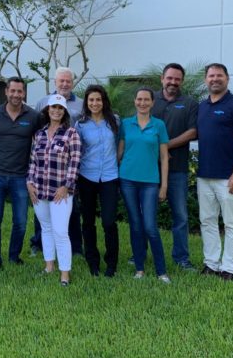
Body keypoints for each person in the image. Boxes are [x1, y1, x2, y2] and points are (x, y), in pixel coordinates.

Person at [197, 63, 233, 281]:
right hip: (204, 175)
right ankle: (211, 264)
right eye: (211, 76)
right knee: (207, 221)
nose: (215, 79)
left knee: (231, 223)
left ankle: (229, 269)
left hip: (229, 177)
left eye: (219, 75)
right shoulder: (202, 107)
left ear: (227, 78)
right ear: (206, 80)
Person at [27, 94, 82, 286]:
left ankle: (65, 274)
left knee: (60, 231)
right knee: (46, 228)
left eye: (60, 108)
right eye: (53, 107)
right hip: (39, 189)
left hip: (61, 191)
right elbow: (33, 161)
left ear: (64, 111)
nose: (56, 111)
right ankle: (49, 267)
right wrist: (29, 183)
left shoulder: (71, 134)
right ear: (47, 110)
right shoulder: (39, 134)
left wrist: (67, 186)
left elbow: (75, 162)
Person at [118, 86, 171, 283]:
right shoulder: (126, 124)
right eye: (139, 99)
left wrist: (163, 186)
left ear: (152, 102)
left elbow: (164, 158)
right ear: (134, 101)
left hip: (150, 182)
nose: (142, 103)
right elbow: (120, 153)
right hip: (127, 180)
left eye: (146, 99)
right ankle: (139, 268)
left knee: (150, 226)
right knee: (135, 225)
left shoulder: (159, 125)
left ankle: (161, 271)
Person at [0, 77, 39, 269]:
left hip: (21, 176)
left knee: (21, 221)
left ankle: (14, 256)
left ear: (24, 93)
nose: (16, 95)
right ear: (6, 92)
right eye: (13, 91)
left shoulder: (33, 116)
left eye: (20, 91)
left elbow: (40, 141)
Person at [151, 63, 199, 271]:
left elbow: (193, 132)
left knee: (180, 216)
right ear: (162, 79)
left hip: (177, 169)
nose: (173, 82)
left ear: (182, 81)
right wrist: (158, 150)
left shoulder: (189, 103)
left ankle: (181, 258)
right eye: (169, 78)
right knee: (146, 214)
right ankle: (139, 255)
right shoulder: (150, 99)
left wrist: (166, 146)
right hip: (149, 169)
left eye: (177, 79)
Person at [32, 67, 83, 256]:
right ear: (55, 82)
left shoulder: (81, 104)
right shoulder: (42, 102)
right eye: (61, 80)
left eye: (68, 81)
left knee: (71, 210)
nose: (65, 84)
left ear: (72, 83)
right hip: (45, 168)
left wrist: (68, 183)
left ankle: (75, 248)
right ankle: (39, 245)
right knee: (43, 214)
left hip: (67, 165)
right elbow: (38, 132)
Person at [75, 84, 120, 277]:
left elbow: (121, 144)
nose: (95, 103)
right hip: (87, 176)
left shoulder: (115, 120)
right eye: (91, 100)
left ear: (104, 101)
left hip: (110, 176)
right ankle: (92, 262)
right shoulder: (80, 125)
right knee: (88, 222)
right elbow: (77, 151)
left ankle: (111, 264)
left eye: (98, 99)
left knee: (109, 222)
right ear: (86, 102)